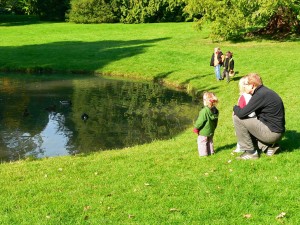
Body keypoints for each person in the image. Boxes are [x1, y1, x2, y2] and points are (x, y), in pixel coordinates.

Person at [233, 73, 285, 160]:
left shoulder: (260, 95)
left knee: (237, 118)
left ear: (252, 86)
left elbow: (242, 113)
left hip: (272, 133)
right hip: (276, 132)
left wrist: (235, 107)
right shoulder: (264, 92)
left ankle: (251, 153)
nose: (244, 87)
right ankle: (269, 148)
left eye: (245, 84)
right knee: (248, 123)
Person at [233, 77, 256, 153]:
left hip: (247, 118)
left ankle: (241, 147)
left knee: (240, 130)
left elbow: (241, 109)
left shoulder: (243, 97)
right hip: (254, 118)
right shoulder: (252, 95)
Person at [193, 92, 219, 156]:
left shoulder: (204, 111)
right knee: (210, 141)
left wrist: (196, 127)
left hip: (204, 131)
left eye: (204, 99)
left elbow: (200, 121)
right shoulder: (215, 111)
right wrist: (214, 128)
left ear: (206, 101)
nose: (203, 100)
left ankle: (203, 155)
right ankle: (211, 152)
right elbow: (215, 121)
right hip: (211, 130)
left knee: (202, 142)